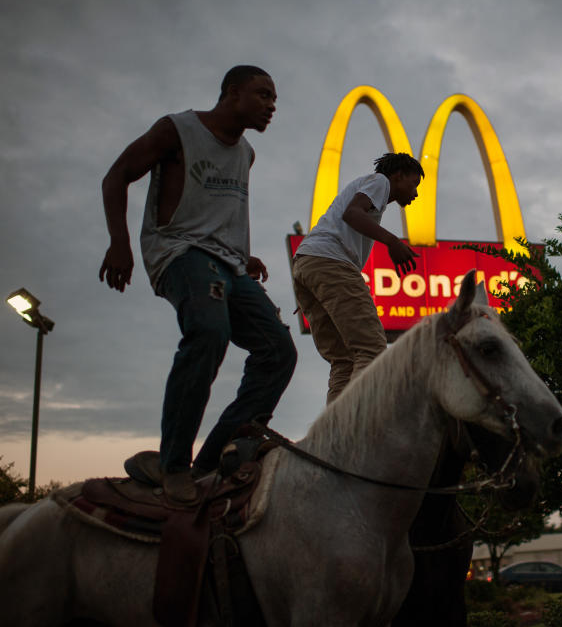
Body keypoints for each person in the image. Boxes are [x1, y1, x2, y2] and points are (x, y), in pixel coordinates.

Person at [99, 65, 297, 502]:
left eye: (274, 99)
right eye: (263, 95)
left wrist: (244, 255)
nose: (271, 106)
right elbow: (116, 176)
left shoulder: (245, 153)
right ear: (232, 92)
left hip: (227, 262)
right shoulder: (178, 130)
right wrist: (119, 243)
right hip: (177, 251)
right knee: (210, 331)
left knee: (278, 351)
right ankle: (173, 464)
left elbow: (219, 212)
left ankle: (214, 459)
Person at [292, 153, 423, 404]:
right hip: (330, 263)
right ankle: (356, 430)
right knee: (371, 348)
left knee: (344, 361)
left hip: (309, 263)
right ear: (398, 176)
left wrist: (318, 289)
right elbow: (352, 214)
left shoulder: (370, 188)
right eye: (414, 184)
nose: (415, 193)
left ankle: (334, 434)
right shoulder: (380, 182)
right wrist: (392, 241)